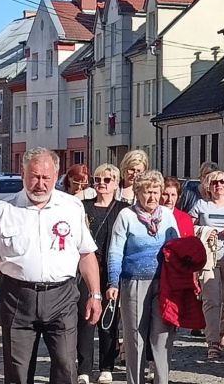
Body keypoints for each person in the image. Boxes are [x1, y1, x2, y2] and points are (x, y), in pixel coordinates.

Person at [0, 147, 102, 384]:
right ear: (23, 174)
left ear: (56, 177)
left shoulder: (72, 207)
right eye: (34, 176)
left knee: (65, 367)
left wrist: (95, 294)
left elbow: (86, 254)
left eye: (46, 178)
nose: (40, 184)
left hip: (62, 297)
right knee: (17, 372)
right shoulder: (3, 210)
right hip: (17, 298)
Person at [106, 170, 179, 384]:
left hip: (164, 283)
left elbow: (177, 246)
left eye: (156, 192)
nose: (152, 197)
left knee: (163, 335)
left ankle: (162, 380)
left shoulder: (167, 215)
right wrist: (113, 281)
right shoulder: (126, 216)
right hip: (134, 282)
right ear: (138, 193)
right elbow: (115, 250)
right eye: (147, 192)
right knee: (135, 337)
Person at [77, 164, 130, 384]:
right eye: (97, 179)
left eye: (107, 180)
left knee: (109, 320)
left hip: (111, 269)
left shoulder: (123, 209)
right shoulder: (82, 206)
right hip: (86, 270)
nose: (101, 183)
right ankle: (84, 369)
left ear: (116, 183)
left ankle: (107, 365)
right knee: (85, 318)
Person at [189, 170, 224, 359]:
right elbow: (188, 227)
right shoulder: (201, 205)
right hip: (209, 258)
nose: (218, 185)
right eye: (214, 183)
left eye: (222, 182)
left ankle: (223, 333)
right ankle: (212, 341)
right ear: (208, 187)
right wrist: (204, 230)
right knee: (211, 299)